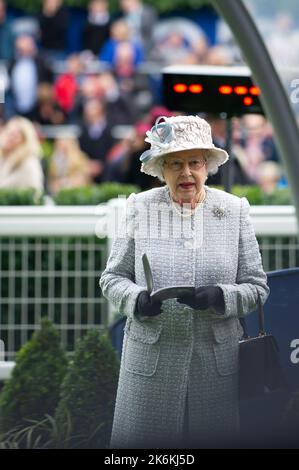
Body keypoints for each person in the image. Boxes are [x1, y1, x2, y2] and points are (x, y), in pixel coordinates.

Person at [100, 114, 269, 449]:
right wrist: (137, 300)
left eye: (194, 162)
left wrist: (222, 297)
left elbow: (257, 286)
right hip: (151, 365)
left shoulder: (233, 211)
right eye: (175, 163)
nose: (186, 172)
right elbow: (112, 278)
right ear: (162, 169)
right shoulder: (140, 208)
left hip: (217, 367)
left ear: (207, 165)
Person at [0, 116, 44, 191]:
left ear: (25, 139)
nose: (9, 137)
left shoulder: (28, 162)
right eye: (8, 132)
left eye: (15, 135)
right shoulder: (4, 158)